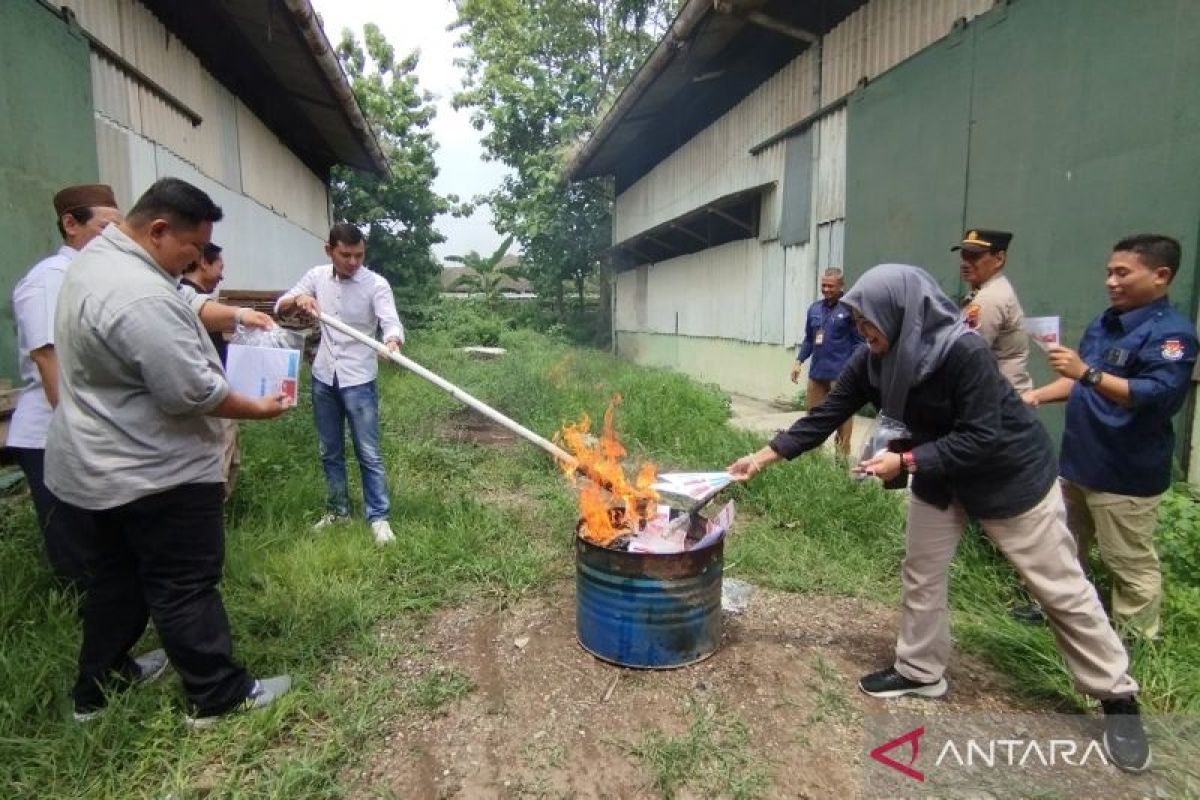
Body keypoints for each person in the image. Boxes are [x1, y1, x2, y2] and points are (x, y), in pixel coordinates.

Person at [728, 264, 1151, 773]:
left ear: (903, 313)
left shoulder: (961, 351)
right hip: (938, 473)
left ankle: (1117, 698)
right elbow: (824, 417)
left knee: (1059, 589)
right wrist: (762, 456)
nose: (865, 333)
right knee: (921, 572)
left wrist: (904, 461)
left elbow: (983, 435)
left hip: (1008, 475)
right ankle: (921, 669)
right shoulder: (872, 360)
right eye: (859, 323)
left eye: (871, 322)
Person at [45, 177, 292, 725]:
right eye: (193, 248)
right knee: (184, 584)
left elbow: (181, 298)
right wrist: (261, 407)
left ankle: (100, 685)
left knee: (119, 578)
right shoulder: (138, 298)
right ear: (159, 230)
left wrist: (236, 315)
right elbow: (193, 393)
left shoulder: (104, 256)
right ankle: (217, 695)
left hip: (100, 465)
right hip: (157, 471)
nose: (198, 259)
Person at [1024, 234, 1197, 642]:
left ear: (1161, 276)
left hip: (1125, 474)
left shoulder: (1172, 336)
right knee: (1065, 546)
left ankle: (1136, 640)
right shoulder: (1107, 322)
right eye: (1108, 273)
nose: (1111, 282)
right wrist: (1034, 395)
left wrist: (1087, 372)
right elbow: (1082, 383)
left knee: (1128, 562)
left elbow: (1157, 396)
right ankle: (1055, 613)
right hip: (1080, 462)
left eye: (1122, 273)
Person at [7, 184, 122, 589]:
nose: (114, 237)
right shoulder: (48, 280)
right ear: (71, 225)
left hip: (91, 430)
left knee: (104, 540)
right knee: (77, 545)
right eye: (105, 227)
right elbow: (47, 357)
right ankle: (91, 640)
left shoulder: (92, 277)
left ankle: (111, 637)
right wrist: (79, 430)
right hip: (53, 436)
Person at [276, 223, 404, 545]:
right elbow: (281, 304)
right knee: (329, 450)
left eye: (359, 255)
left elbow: (390, 321)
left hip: (359, 378)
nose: (352, 262)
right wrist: (301, 299)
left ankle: (378, 516)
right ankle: (338, 511)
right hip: (324, 376)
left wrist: (391, 341)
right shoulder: (317, 276)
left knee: (369, 452)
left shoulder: (376, 284)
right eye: (345, 255)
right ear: (329, 250)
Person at [790, 268, 863, 456]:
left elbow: (859, 343)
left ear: (841, 287)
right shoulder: (814, 309)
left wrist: (853, 369)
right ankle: (813, 464)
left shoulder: (850, 309)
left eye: (831, 286)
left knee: (842, 421)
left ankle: (840, 466)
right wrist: (799, 361)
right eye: (823, 285)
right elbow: (809, 339)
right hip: (817, 375)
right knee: (812, 420)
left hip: (841, 377)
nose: (826, 289)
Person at [955, 229, 1032, 393]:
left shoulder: (989, 298)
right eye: (964, 255)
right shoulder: (987, 290)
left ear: (999, 259)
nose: (965, 263)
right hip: (1004, 398)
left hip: (1002, 403)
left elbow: (968, 353)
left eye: (974, 257)